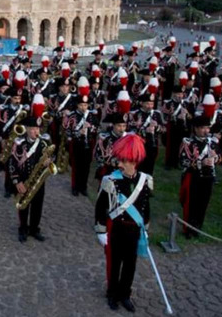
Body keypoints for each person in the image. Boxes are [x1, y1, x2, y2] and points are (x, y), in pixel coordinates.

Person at [95, 133, 153, 312]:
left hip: (134, 230)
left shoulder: (145, 180)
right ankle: (112, 293)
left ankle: (125, 294)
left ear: (134, 161)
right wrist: (101, 231)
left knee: (130, 264)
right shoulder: (110, 180)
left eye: (123, 160)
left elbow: (145, 206)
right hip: (116, 229)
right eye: (119, 159)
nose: (119, 164)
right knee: (114, 263)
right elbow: (100, 207)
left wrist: (146, 227)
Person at [9, 112, 52, 243]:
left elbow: (51, 156)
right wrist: (17, 182)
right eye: (32, 129)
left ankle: (34, 229)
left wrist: (49, 161)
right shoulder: (19, 143)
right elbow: (12, 163)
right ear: (26, 129)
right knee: (23, 205)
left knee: (37, 205)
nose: (35, 131)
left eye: (38, 129)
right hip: (24, 179)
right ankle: (22, 228)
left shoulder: (44, 143)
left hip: (38, 180)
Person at [178, 116, 220, 238]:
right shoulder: (188, 143)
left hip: (208, 178)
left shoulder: (212, 143)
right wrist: (201, 162)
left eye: (207, 128)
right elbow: (183, 161)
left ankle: (198, 228)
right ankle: (188, 229)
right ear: (195, 129)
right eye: (202, 128)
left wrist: (216, 158)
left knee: (203, 204)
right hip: (193, 178)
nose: (206, 131)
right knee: (191, 204)